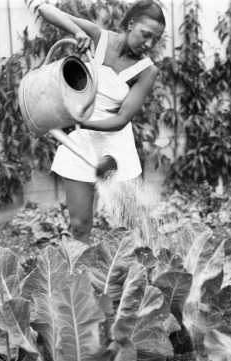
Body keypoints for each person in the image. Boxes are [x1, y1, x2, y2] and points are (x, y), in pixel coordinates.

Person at [38, 0, 165, 244]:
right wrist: (77, 32)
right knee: (79, 225)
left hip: (115, 148)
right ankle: (82, 280)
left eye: (155, 40)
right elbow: (45, 9)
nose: (148, 44)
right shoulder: (99, 38)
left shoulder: (147, 70)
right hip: (80, 143)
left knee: (128, 226)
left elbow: (120, 120)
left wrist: (77, 124)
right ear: (130, 24)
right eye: (145, 35)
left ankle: (125, 279)